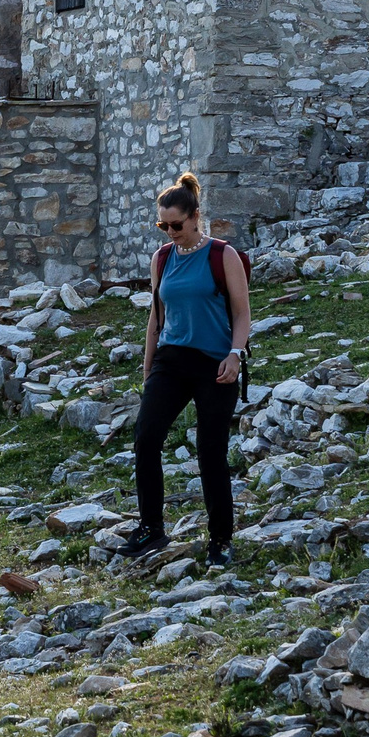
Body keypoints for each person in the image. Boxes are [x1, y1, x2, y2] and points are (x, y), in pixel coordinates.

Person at [124, 171, 251, 567]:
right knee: (146, 437)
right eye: (163, 225)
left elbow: (243, 314)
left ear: (196, 217)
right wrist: (148, 371)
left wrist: (236, 354)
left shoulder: (222, 256)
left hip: (216, 363)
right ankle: (151, 527)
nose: (170, 232)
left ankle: (221, 540)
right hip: (171, 360)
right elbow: (155, 318)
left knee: (210, 450)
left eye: (176, 225)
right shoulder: (161, 258)